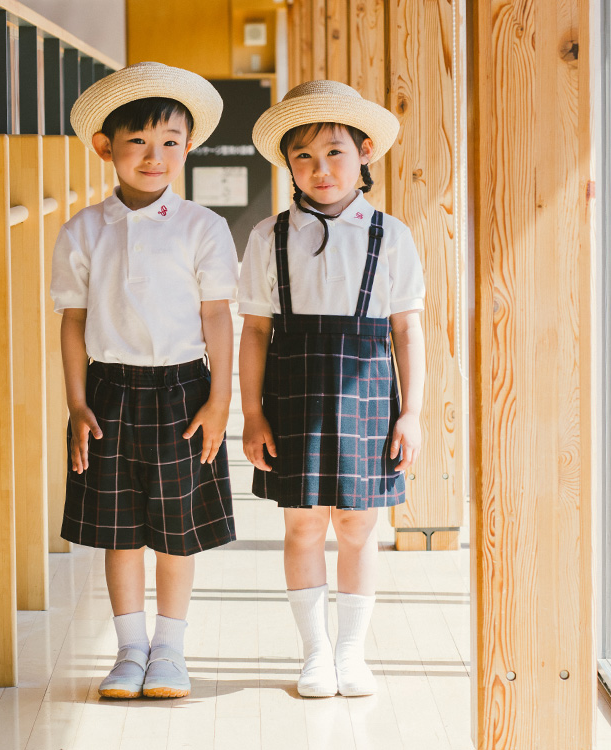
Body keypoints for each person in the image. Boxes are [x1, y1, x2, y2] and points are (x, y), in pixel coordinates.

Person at [51, 62, 238, 700]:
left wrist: (220, 401)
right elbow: (73, 324)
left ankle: (171, 651)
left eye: (170, 143)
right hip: (107, 390)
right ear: (106, 146)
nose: (154, 157)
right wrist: (76, 403)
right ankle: (130, 651)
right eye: (137, 142)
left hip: (184, 389)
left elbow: (218, 317)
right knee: (120, 527)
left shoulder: (203, 228)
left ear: (187, 147)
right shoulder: (81, 229)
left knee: (175, 528)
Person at [238, 80, 426, 698]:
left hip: (368, 391)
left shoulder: (390, 235)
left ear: (365, 152)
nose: (321, 169)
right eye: (305, 156)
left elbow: (406, 329)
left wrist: (413, 413)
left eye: (336, 152)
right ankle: (314, 653)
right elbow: (255, 333)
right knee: (301, 527)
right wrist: (252, 414)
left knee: (358, 526)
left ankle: (352, 653)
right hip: (292, 391)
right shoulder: (268, 237)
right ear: (287, 163)